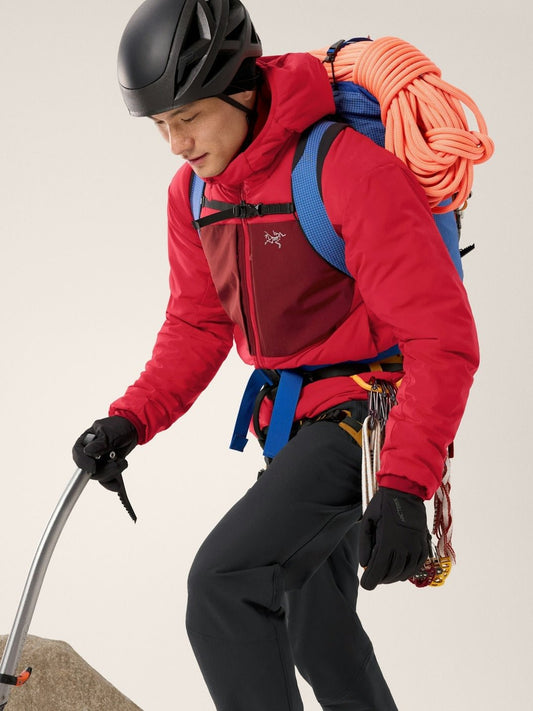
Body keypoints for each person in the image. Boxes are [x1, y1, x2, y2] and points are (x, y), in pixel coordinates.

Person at [73, 0, 479, 709]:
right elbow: (198, 324)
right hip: (288, 424)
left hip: (364, 417)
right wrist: (130, 419)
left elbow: (439, 336)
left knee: (226, 585)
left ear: (241, 86)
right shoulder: (193, 193)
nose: (175, 143)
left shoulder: (345, 169)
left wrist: (405, 482)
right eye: (160, 125)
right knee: (314, 626)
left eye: (188, 117)